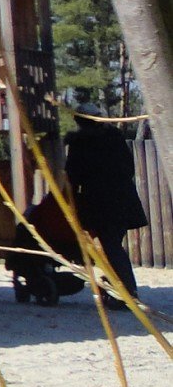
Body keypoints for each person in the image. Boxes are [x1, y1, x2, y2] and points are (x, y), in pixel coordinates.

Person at [64, 109, 149, 300]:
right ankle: (119, 285)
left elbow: (73, 174)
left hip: (102, 202)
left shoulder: (82, 143)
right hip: (122, 198)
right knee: (111, 244)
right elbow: (128, 168)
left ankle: (127, 291)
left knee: (110, 245)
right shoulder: (115, 138)